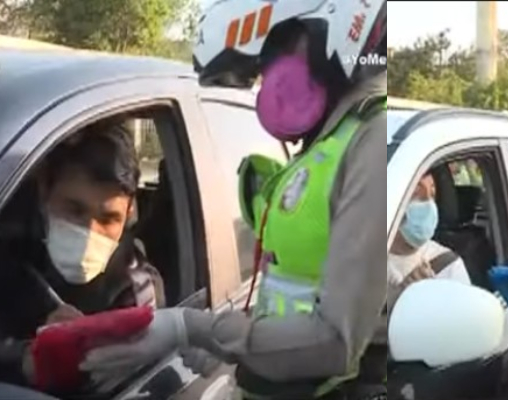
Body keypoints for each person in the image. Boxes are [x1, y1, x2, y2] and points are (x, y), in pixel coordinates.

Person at [80, 1, 387, 400]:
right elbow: (298, 293)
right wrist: (239, 342)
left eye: (276, 54)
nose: (268, 82)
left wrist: (192, 329)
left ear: (336, 31)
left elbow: (335, 343)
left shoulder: (371, 141)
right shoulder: (334, 138)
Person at [0, 122, 165, 392]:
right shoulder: (14, 253)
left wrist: (78, 358)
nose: (89, 235)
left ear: (128, 215)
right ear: (44, 192)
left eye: (108, 219)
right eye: (74, 210)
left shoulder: (136, 294)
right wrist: (25, 357)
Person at [388, 173, 470, 290]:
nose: (428, 204)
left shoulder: (448, 267)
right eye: (415, 194)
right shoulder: (367, 262)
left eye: (432, 195)